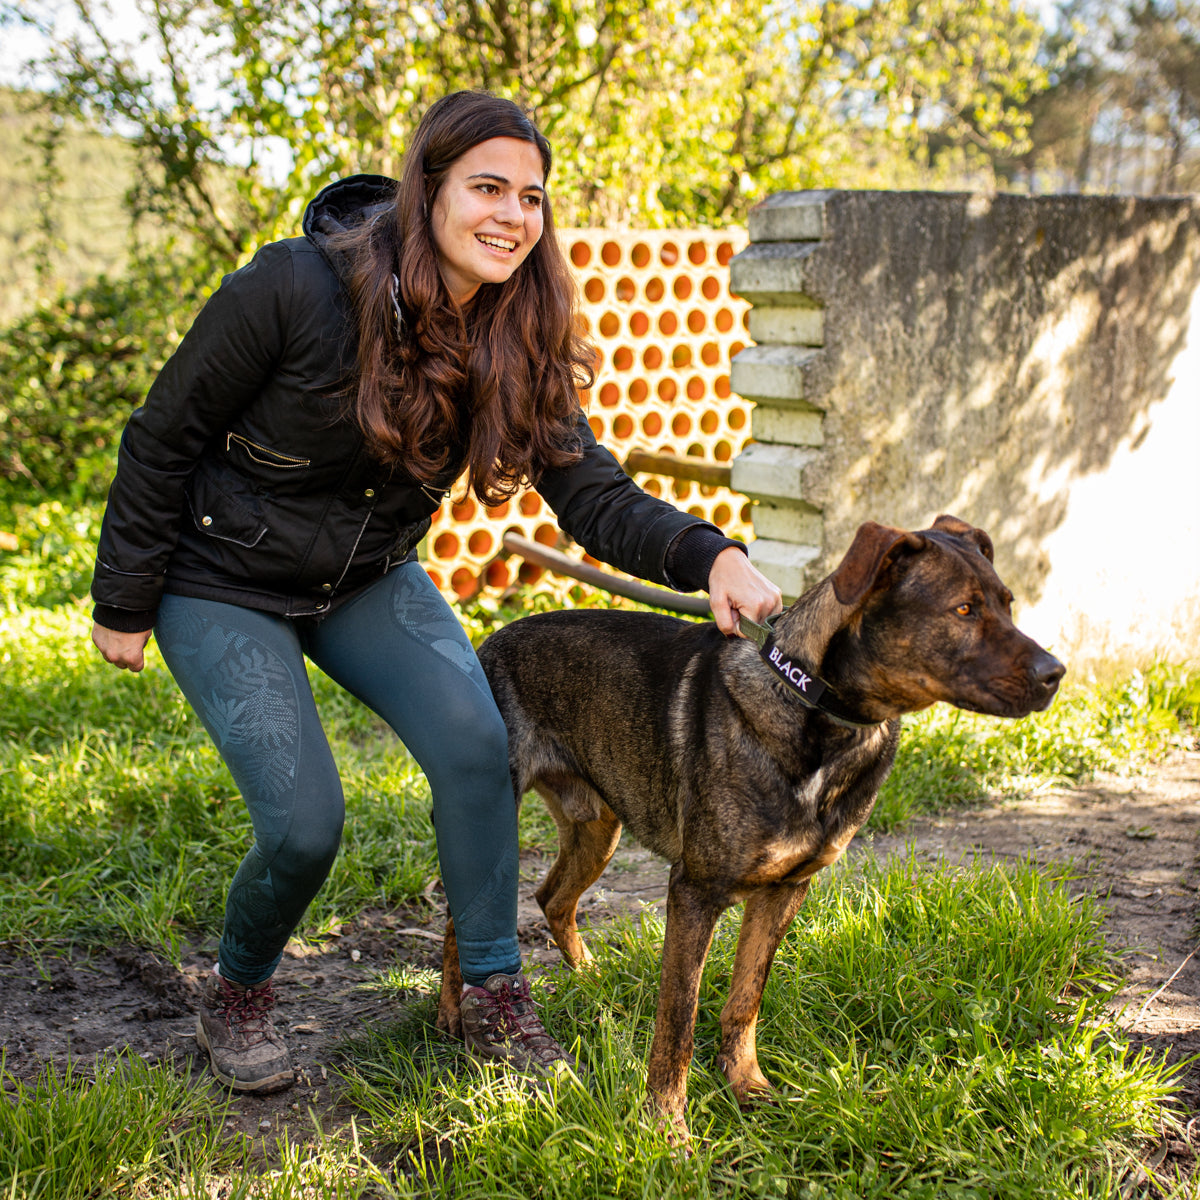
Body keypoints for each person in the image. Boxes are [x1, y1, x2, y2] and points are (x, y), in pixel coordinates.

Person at [90, 90, 782, 1094]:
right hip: (221, 577)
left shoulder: (518, 328)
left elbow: (591, 490)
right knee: (303, 824)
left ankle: (494, 994)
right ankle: (237, 991)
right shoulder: (296, 288)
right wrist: (125, 598)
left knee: (476, 746)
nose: (510, 215)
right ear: (429, 191)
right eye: (486, 188)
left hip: (365, 578)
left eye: (531, 198)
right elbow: (165, 434)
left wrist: (710, 555)